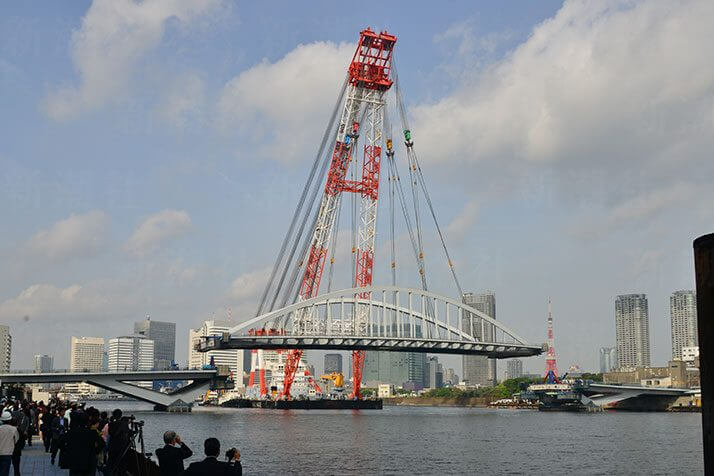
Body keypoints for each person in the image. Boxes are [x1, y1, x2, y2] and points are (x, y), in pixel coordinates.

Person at [58, 411, 105, 475]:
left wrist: (67, 450)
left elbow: (60, 442)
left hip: (74, 460)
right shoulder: (92, 433)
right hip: (89, 460)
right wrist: (95, 451)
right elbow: (102, 444)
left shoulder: (71, 432)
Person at [106, 409, 130, 475]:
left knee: (111, 461)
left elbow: (111, 433)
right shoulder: (123, 424)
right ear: (120, 415)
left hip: (112, 445)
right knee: (121, 463)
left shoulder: (110, 424)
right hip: (121, 446)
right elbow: (128, 433)